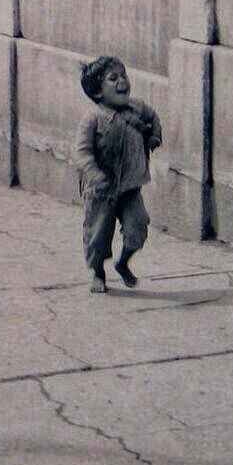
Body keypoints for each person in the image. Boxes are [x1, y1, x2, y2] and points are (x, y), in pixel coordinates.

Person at [75, 55, 162, 293]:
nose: (121, 81)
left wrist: (155, 136)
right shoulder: (92, 119)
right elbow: (82, 153)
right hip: (101, 189)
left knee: (138, 226)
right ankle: (98, 272)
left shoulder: (137, 108)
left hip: (130, 187)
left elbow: (153, 118)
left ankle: (123, 262)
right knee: (98, 235)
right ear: (97, 92)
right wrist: (95, 174)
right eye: (113, 78)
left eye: (123, 76)